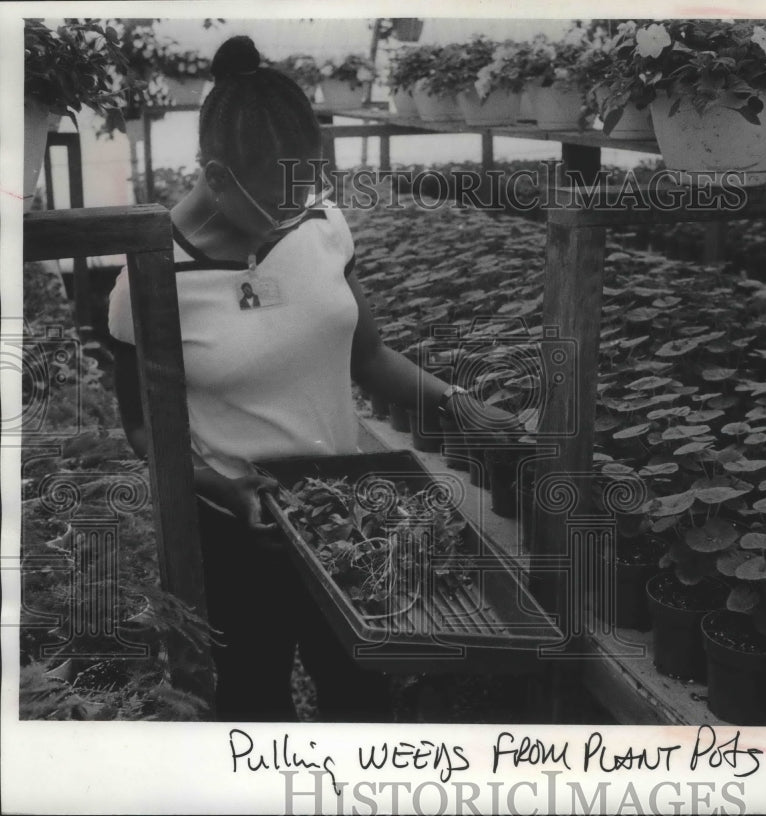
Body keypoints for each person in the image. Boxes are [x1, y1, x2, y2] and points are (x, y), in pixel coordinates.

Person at [106, 35, 519, 722]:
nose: (299, 215)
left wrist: (459, 405)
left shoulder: (321, 223)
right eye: (280, 203)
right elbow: (143, 429)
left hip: (342, 519)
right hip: (237, 533)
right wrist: (225, 488)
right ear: (215, 174)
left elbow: (369, 358)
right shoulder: (148, 279)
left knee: (362, 697)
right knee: (252, 704)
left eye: (308, 192)